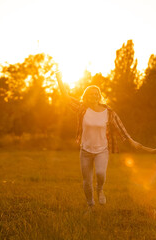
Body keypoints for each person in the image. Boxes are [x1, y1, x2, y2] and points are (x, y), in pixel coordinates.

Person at [55, 72, 141, 211]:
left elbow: (120, 127)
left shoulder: (108, 111)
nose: (93, 96)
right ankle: (90, 205)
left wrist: (131, 141)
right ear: (86, 96)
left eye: (96, 94)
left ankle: (100, 189)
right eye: (90, 94)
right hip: (85, 150)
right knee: (87, 181)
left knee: (101, 173)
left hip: (102, 149)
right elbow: (66, 97)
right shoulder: (82, 108)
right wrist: (59, 79)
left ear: (99, 96)